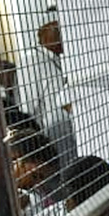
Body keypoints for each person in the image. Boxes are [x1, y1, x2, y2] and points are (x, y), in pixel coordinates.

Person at [18, 19, 77, 169]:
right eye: (59, 34)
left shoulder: (56, 58)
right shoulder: (30, 60)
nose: (64, 39)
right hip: (52, 132)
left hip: (69, 128)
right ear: (47, 37)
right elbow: (29, 106)